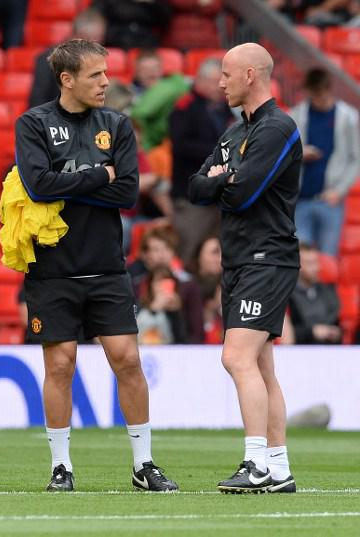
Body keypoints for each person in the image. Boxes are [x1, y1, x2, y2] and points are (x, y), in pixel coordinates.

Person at [14, 39, 178, 492]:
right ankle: (60, 467)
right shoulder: (33, 123)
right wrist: (98, 174)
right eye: (96, 75)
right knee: (60, 366)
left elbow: (126, 193)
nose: (107, 82)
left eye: (106, 73)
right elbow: (38, 185)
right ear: (67, 80)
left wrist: (69, 179)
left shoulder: (118, 125)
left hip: (106, 266)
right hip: (51, 268)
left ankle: (143, 464)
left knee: (127, 359)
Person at [187, 43, 301, 493]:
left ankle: (254, 463)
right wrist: (220, 180)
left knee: (235, 357)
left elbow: (243, 194)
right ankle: (278, 467)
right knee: (261, 368)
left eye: (227, 74)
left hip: (267, 257)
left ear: (251, 75)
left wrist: (222, 179)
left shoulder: (278, 128)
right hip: (237, 259)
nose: (220, 82)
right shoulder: (234, 133)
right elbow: (196, 187)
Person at [289, 68, 360, 256]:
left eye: (320, 94)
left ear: (329, 90)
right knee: (300, 259)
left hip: (330, 200)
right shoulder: (297, 115)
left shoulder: (348, 117)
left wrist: (339, 191)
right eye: (314, 95)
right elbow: (284, 154)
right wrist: (301, 153)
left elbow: (356, 159)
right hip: (301, 198)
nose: (318, 99)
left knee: (327, 260)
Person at [169, 59, 233, 265]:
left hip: (218, 196)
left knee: (214, 256)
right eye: (216, 81)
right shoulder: (185, 107)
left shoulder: (223, 108)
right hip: (191, 197)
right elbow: (180, 145)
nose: (221, 85)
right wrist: (217, 153)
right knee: (188, 250)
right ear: (200, 81)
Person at [128, 226, 205, 343]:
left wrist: (176, 311)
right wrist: (152, 308)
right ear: (144, 255)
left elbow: (196, 334)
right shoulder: (135, 285)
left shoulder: (189, 286)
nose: (161, 255)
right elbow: (128, 330)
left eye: (167, 248)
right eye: (155, 249)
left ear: (174, 252)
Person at [28, 8, 107, 109]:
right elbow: (38, 100)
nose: (100, 45)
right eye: (97, 40)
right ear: (82, 36)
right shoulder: (48, 59)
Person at [289, 243, 342, 344]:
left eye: (316, 262)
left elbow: (338, 324)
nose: (316, 268)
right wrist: (312, 332)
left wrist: (335, 333)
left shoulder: (329, 291)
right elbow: (283, 334)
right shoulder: (287, 296)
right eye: (309, 263)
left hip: (330, 351)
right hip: (298, 352)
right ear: (297, 265)